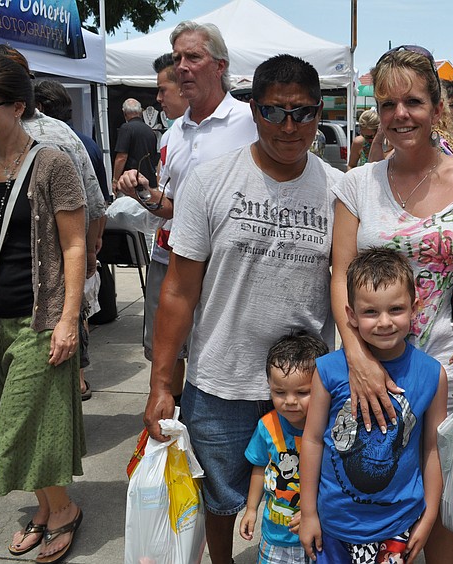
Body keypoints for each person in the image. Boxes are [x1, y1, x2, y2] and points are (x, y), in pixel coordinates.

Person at [329, 45, 453, 563]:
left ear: (437, 105)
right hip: (376, 371)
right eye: (389, 103)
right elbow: (340, 274)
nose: (401, 114)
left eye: (414, 101)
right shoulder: (357, 185)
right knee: (375, 488)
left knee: (443, 503)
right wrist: (355, 355)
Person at [141, 54, 342, 564]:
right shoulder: (209, 181)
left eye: (303, 112)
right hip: (220, 381)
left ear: (321, 112)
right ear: (254, 110)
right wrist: (162, 383)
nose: (290, 126)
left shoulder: (340, 191)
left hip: (307, 386)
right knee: (222, 499)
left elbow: (346, 293)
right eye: (276, 111)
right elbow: (179, 291)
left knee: (306, 496)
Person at [0, 55, 86, 563]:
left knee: (24, 424)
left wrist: (69, 319)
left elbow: (73, 247)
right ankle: (46, 509)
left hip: (41, 318)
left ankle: (64, 509)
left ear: (17, 106)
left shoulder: (52, 164)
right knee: (13, 421)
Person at [116, 24, 256, 409]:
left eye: (193, 57)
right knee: (175, 350)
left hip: (231, 268)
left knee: (218, 359)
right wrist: (142, 191)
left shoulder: (250, 120)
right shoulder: (172, 134)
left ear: (219, 65)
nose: (182, 67)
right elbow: (173, 207)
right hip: (180, 261)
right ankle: (179, 432)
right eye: (177, 58)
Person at [300, 247, 448, 564]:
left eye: (395, 309)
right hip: (333, 522)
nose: (384, 322)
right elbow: (312, 440)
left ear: (415, 307)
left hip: (398, 523)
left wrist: (431, 512)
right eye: (370, 312)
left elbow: (433, 448)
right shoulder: (327, 370)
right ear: (350, 315)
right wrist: (308, 512)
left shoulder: (432, 374)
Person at [34, 78, 107, 401]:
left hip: (63, 254)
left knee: (72, 314)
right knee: (80, 313)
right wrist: (94, 244)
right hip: (80, 247)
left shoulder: (58, 143)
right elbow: (99, 203)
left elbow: (93, 201)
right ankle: (78, 378)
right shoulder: (84, 143)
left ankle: (76, 379)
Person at [239, 331, 329, 564]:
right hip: (275, 536)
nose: (289, 401)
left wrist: (316, 510)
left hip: (319, 535)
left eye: (302, 392)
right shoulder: (267, 426)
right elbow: (260, 467)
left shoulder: (329, 429)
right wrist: (251, 509)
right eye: (279, 392)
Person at [112, 98, 159, 189]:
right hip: (149, 181)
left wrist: (115, 180)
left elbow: (121, 157)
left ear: (124, 113)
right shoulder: (150, 131)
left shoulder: (126, 128)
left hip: (131, 181)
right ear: (141, 112)